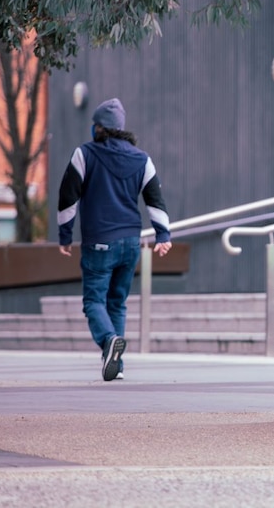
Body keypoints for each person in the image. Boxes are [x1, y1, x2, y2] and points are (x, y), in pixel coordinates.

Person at [57, 98, 172, 381]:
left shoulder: (85, 154)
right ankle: (116, 366)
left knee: (94, 300)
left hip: (99, 242)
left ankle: (109, 341)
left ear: (98, 128)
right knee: (117, 302)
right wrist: (163, 234)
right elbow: (155, 199)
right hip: (131, 241)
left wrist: (64, 235)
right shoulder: (142, 158)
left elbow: (68, 197)